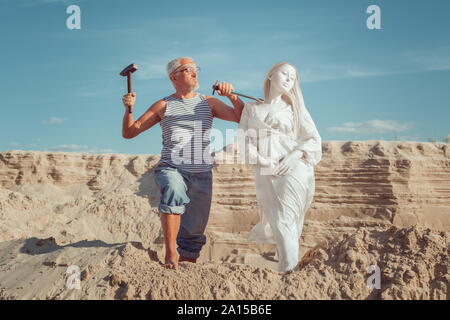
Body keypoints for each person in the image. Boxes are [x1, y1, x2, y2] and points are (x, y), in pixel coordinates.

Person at [122, 57, 244, 269]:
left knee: (194, 233)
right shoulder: (164, 105)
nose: (194, 72)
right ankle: (170, 254)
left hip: (202, 173)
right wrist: (129, 109)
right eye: (188, 69)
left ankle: (186, 268)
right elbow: (130, 132)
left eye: (196, 69)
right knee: (174, 190)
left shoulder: (209, 103)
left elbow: (239, 117)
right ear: (173, 77)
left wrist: (232, 96)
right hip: (172, 167)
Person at [237, 62, 322, 272]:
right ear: (270, 75)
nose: (288, 79)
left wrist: (295, 155)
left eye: (292, 78)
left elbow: (314, 139)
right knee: (278, 220)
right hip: (265, 168)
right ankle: (289, 272)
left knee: (285, 219)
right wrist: (263, 160)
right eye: (284, 73)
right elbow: (243, 140)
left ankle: (289, 273)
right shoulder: (251, 108)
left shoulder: (295, 108)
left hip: (293, 167)